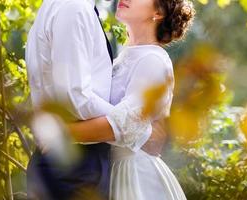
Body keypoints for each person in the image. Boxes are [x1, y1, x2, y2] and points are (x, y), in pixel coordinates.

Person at [25, 0, 168, 199]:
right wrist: (139, 130)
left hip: (109, 169)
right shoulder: (74, 8)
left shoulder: (152, 59)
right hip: (75, 167)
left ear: (158, 12)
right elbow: (75, 97)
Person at [67, 0, 195, 199]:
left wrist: (63, 133)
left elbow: (126, 124)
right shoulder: (124, 58)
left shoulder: (154, 60)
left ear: (158, 12)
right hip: (108, 170)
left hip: (136, 176)